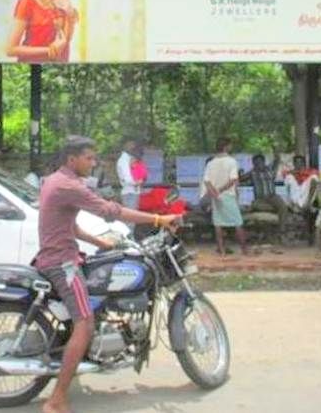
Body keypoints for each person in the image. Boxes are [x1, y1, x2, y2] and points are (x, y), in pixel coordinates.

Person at [36, 136, 180, 413]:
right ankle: (56, 401)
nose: (93, 163)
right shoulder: (69, 185)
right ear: (72, 159)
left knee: (95, 303)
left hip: (59, 254)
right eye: (88, 158)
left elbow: (70, 225)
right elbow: (110, 211)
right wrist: (159, 219)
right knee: (85, 324)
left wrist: (101, 244)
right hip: (61, 263)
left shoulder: (54, 180)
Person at [202, 137, 249, 256]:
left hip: (215, 196)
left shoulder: (211, 163)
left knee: (218, 224)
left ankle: (222, 251)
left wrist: (214, 192)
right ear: (226, 147)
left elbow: (206, 181)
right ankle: (244, 250)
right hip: (228, 195)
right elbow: (233, 180)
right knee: (238, 223)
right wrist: (220, 190)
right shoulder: (232, 161)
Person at [241, 153, 289, 232]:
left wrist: (276, 150)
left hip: (272, 196)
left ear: (263, 162)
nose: (258, 165)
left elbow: (277, 160)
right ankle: (270, 210)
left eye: (260, 162)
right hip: (260, 199)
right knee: (255, 205)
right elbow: (240, 179)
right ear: (253, 164)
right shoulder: (252, 173)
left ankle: (282, 229)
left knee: (283, 206)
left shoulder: (270, 169)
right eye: (256, 163)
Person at [116, 139, 141, 215]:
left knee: (131, 219)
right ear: (125, 145)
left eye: (133, 144)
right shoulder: (124, 160)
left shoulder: (128, 159)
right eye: (131, 144)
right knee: (130, 220)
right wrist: (137, 182)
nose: (133, 146)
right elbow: (128, 179)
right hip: (130, 192)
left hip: (131, 191)